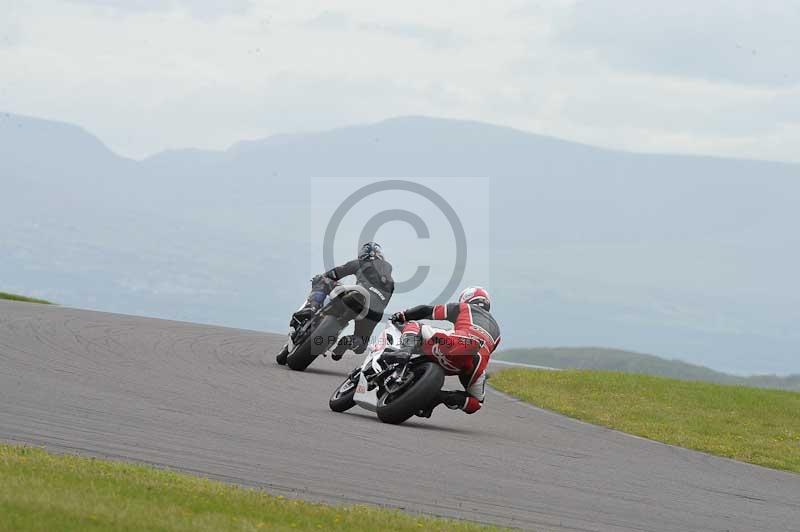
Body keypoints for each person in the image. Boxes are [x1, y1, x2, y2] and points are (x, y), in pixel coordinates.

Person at [277, 242, 394, 365]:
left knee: (322, 280)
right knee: (361, 343)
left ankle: (311, 307)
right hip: (374, 312)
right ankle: (349, 341)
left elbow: (334, 274)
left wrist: (320, 277)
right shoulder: (391, 282)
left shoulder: (362, 262)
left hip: (357, 295)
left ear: (363, 254)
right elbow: (383, 302)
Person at [390, 286, 500, 416]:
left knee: (413, 325)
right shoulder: (497, 332)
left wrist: (403, 315)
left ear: (466, 299)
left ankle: (405, 351)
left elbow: (426, 311)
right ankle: (438, 397)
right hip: (475, 363)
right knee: (476, 403)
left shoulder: (464, 307)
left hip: (456, 342)